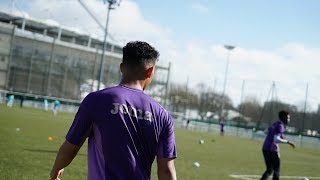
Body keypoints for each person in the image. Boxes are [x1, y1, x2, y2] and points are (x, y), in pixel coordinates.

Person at [50, 41, 177, 180]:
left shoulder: (96, 100)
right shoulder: (163, 115)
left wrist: (56, 169)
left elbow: (71, 148)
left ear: (122, 67)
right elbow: (166, 170)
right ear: (150, 71)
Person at [260, 110, 295, 180]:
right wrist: (288, 142)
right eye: (287, 118)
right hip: (272, 150)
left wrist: (277, 134)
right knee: (276, 169)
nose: (288, 120)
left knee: (269, 170)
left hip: (265, 148)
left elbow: (265, 131)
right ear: (283, 118)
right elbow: (276, 139)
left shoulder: (275, 124)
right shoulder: (280, 126)